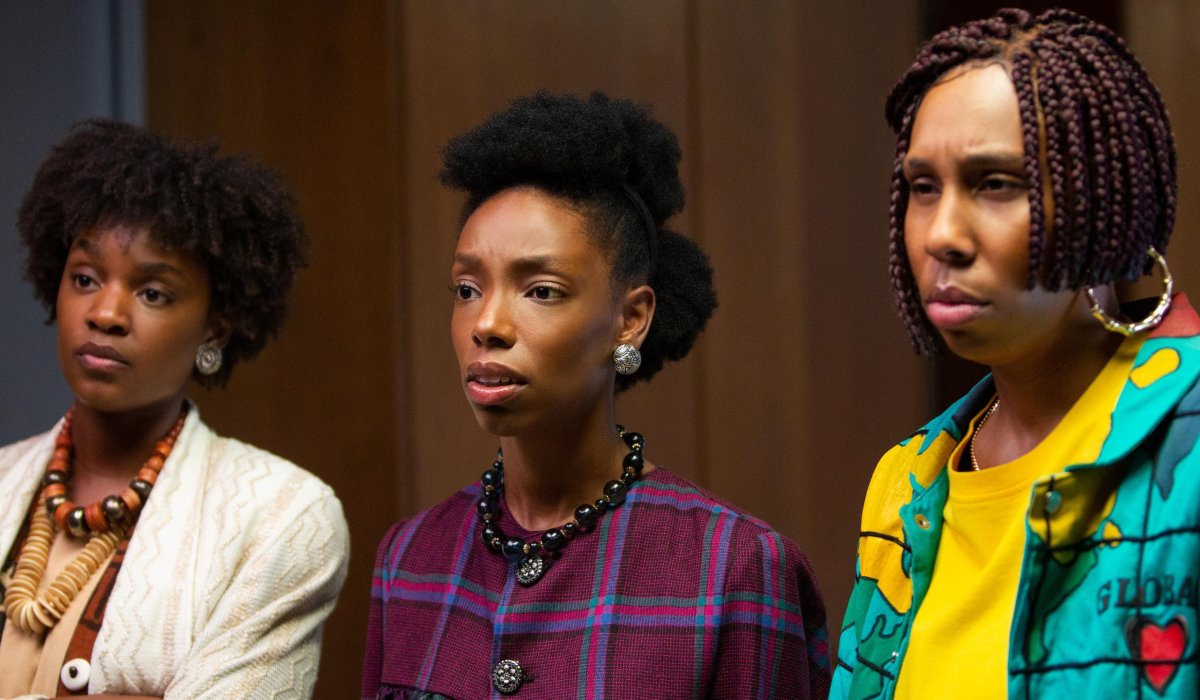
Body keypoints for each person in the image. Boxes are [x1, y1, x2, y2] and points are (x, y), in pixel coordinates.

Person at [362, 92, 830, 698]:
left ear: (630, 319)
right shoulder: (409, 559)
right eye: (467, 288)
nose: (488, 324)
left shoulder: (735, 570)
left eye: (542, 291)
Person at [832, 8, 1197, 699]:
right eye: (922, 188)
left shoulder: (1191, 443)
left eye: (995, 184)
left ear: (1106, 208)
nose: (942, 234)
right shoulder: (904, 486)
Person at [0, 121, 349, 698]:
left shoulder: (282, 516)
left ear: (214, 328)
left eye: (152, 293)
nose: (105, 313)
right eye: (84, 278)